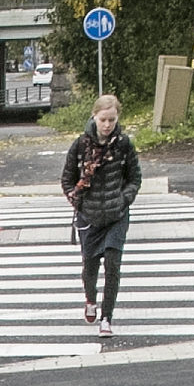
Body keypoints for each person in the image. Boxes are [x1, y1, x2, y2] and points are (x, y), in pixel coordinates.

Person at [59, 93, 141, 333]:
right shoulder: (80, 145)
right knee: (90, 268)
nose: (107, 125)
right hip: (90, 216)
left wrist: (124, 199)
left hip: (116, 215)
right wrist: (78, 202)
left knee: (113, 265)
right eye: (103, 119)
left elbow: (134, 178)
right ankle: (90, 300)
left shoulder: (124, 145)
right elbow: (67, 179)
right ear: (94, 116)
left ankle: (107, 318)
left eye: (112, 120)